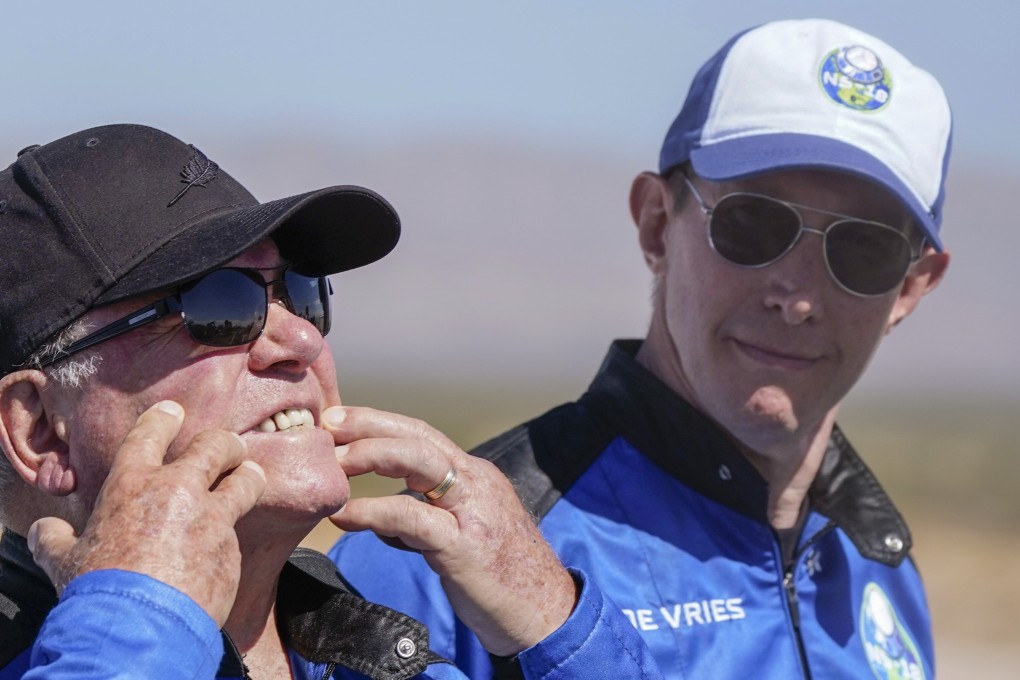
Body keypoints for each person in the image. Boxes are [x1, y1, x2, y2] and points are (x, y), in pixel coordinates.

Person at [333, 18, 952, 679]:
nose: (797, 297)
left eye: (864, 249)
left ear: (911, 288)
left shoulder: (876, 566)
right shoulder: (437, 562)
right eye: (753, 223)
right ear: (657, 224)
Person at [0, 124, 660, 679]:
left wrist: (555, 627)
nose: (302, 338)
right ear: (41, 430)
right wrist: (138, 616)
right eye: (219, 305)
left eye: (301, 293)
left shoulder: (388, 657)